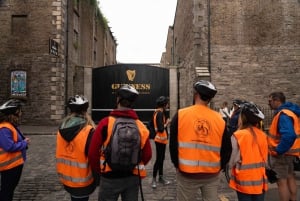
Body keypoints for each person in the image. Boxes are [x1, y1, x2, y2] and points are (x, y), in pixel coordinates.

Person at [169, 80, 232, 201]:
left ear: (196, 94)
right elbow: (227, 149)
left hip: (187, 173)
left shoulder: (181, 115)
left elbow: (173, 145)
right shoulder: (219, 120)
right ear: (210, 99)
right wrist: (220, 166)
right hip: (211, 175)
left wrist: (177, 164)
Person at [88, 85, 152, 201]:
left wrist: (100, 170)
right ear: (133, 103)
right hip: (132, 177)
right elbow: (147, 155)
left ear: (117, 100)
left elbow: (92, 153)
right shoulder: (141, 126)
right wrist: (132, 163)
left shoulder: (105, 123)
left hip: (109, 177)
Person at [56, 95, 97, 201]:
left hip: (66, 178)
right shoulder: (88, 131)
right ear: (85, 111)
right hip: (83, 181)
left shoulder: (62, 127)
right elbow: (94, 157)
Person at [228, 102, 268, 201]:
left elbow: (232, 160)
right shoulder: (263, 135)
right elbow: (265, 159)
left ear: (243, 117)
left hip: (244, 181)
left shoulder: (238, 135)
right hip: (259, 180)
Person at [267, 92, 300, 201]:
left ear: (277, 101)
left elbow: (289, 135)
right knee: (290, 177)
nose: (269, 104)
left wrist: (278, 150)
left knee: (282, 182)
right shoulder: (291, 112)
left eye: (270, 101)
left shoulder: (283, 114)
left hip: (282, 154)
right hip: (290, 153)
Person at [0, 99, 30, 201]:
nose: (21, 114)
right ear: (15, 113)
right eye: (20, 111)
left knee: (9, 190)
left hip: (14, 165)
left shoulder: (10, 126)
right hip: (9, 166)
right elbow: (9, 146)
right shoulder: (4, 128)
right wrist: (24, 143)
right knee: (6, 191)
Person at [151, 96, 171, 189]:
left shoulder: (158, 112)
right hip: (159, 140)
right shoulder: (159, 113)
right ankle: (154, 179)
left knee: (161, 159)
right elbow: (161, 128)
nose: (168, 105)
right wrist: (167, 123)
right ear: (163, 104)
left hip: (161, 140)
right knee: (159, 159)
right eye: (167, 103)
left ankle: (160, 177)